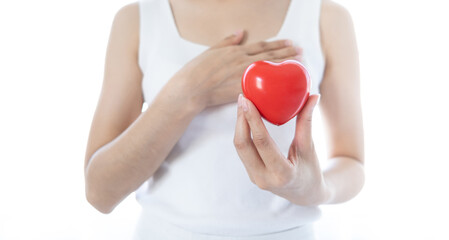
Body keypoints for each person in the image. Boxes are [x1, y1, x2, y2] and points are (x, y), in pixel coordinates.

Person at [83, 0, 365, 239]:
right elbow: (100, 192)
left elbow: (351, 161)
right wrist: (187, 92)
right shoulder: (139, 19)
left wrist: (317, 189)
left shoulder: (326, 17)